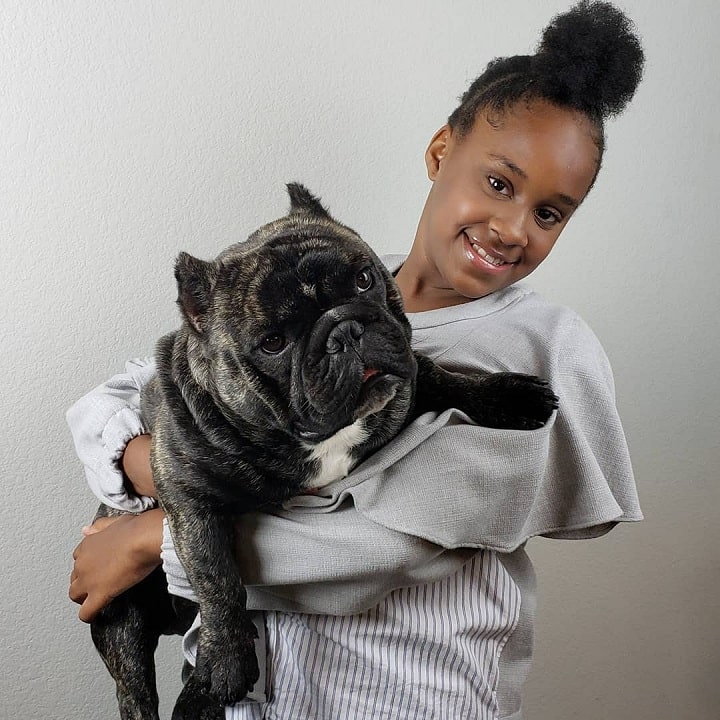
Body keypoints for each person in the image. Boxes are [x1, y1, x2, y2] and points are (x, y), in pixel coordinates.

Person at [68, 2, 644, 718]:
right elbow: (135, 387)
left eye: (550, 213)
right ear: (441, 152)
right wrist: (142, 459)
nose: (512, 227)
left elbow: (380, 549)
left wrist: (154, 537)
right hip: (243, 693)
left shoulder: (542, 345)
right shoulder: (333, 270)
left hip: (401, 695)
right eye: (499, 183)